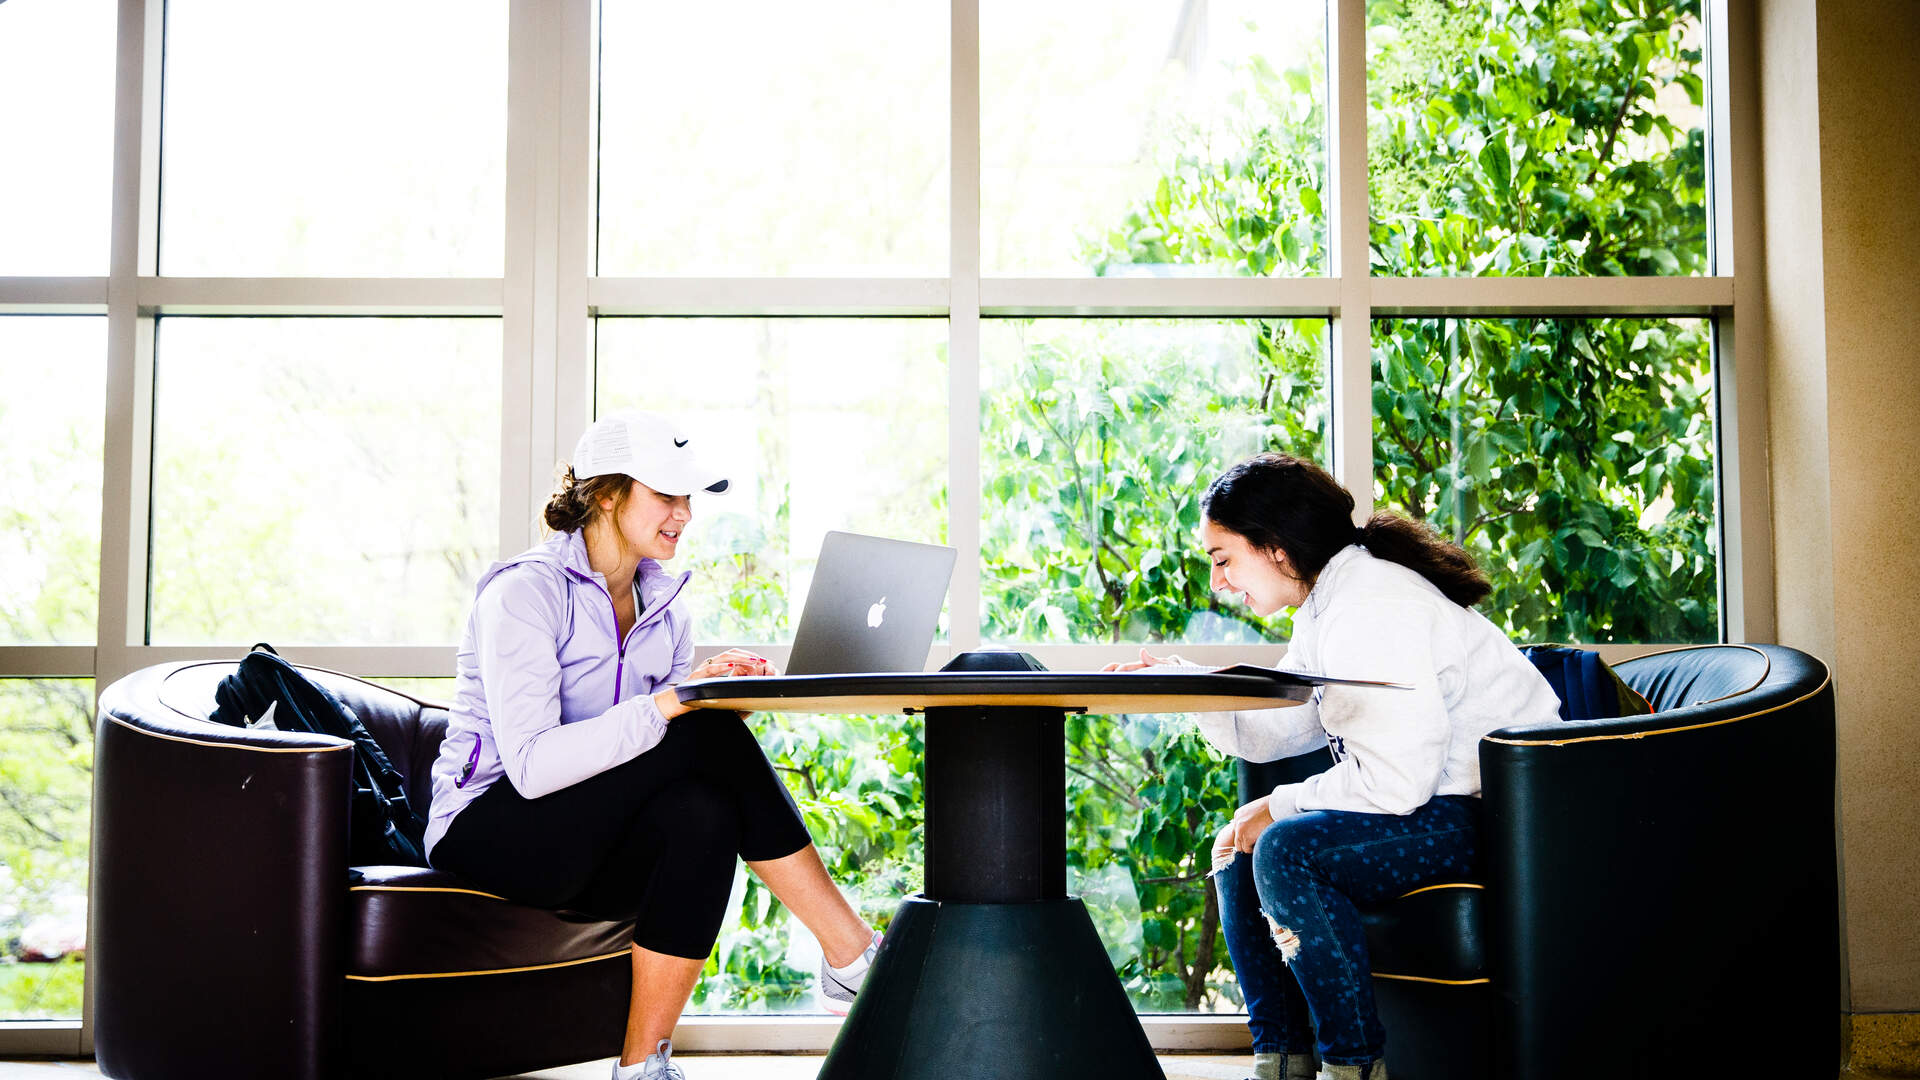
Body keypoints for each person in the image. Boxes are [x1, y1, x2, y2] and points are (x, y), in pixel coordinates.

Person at [424, 411, 883, 1080]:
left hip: (593, 843)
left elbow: (665, 751)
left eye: (687, 498)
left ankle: (642, 1067)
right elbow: (531, 768)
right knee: (701, 735)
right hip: (489, 831)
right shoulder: (524, 593)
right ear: (607, 494)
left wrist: (719, 699)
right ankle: (852, 954)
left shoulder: (663, 604)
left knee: (703, 809)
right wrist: (679, 703)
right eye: (667, 495)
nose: (685, 514)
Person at [1106, 453, 1561, 1080]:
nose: (1219, 583)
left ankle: (1352, 1068)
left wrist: (1277, 805)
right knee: (1237, 851)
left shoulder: (1372, 604)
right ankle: (1282, 1061)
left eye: (1223, 559)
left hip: (1499, 819)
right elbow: (1279, 728)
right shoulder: (1330, 602)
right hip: (1436, 804)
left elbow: (1396, 780)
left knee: (1284, 848)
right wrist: (1180, 684)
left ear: (1276, 548)